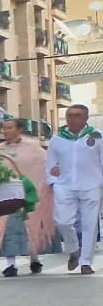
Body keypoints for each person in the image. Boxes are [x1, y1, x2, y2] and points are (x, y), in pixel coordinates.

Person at [0, 117, 52, 275]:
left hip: (29, 193)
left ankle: (34, 258)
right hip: (7, 195)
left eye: (9, 127)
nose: (5, 131)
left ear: (19, 130)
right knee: (8, 228)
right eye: (3, 128)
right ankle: (11, 264)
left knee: (31, 225)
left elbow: (46, 164)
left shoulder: (33, 148)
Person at [45, 104, 101, 274]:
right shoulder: (57, 139)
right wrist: (53, 182)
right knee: (63, 222)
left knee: (90, 224)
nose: (72, 119)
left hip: (91, 185)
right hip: (65, 186)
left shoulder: (96, 136)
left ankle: (86, 262)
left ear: (85, 118)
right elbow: (50, 165)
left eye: (77, 115)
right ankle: (73, 250)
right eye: (69, 115)